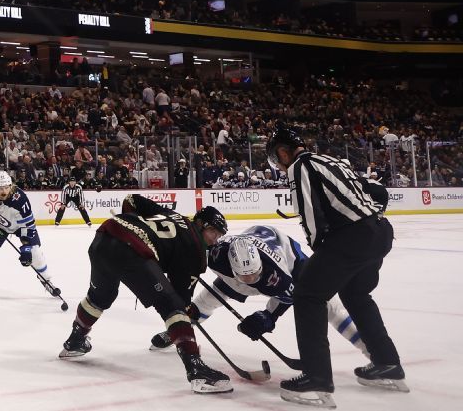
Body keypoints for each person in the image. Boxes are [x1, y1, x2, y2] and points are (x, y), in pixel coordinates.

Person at [267, 125, 405, 405]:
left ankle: (316, 378)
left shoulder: (299, 166)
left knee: (307, 294)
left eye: (276, 158)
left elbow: (310, 213)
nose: (279, 166)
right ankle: (387, 362)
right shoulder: (328, 159)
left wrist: (320, 254)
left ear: (283, 152)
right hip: (379, 230)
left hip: (352, 236)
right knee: (355, 294)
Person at [59, 194, 232, 394]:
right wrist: (185, 318)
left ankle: (75, 341)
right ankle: (196, 369)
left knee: (101, 296)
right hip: (131, 251)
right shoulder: (196, 249)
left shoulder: (173, 215)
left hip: (104, 236)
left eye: (219, 235)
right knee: (172, 306)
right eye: (213, 232)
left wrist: (132, 222)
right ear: (200, 224)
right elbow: (180, 301)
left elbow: (131, 200)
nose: (215, 239)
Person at [151, 225, 369, 360]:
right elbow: (194, 253)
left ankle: (373, 352)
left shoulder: (278, 274)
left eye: (253, 276)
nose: (250, 281)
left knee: (329, 306)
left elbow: (287, 296)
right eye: (245, 277)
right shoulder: (218, 256)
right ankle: (179, 332)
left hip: (295, 267)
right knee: (206, 301)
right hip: (245, 263)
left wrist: (268, 317)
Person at [0, 169, 51, 296]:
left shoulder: (20, 199)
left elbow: (29, 225)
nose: (4, 191)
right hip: (0, 224)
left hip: (21, 226)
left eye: (7, 187)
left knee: (35, 252)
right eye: (0, 188)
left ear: (11, 185)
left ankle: (47, 281)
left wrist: (26, 247)